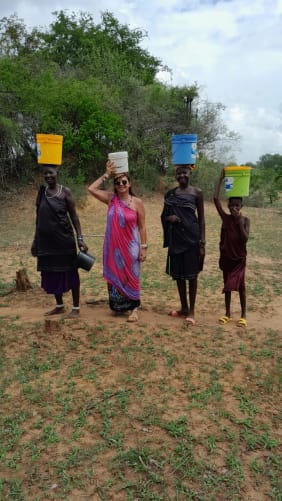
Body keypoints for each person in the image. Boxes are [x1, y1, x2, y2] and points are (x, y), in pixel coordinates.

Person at [88, 161, 147, 322]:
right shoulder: (110, 199)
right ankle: (119, 306)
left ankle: (134, 308)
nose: (121, 185)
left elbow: (142, 227)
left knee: (132, 276)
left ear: (129, 184)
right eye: (117, 182)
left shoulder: (137, 203)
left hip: (131, 247)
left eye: (124, 182)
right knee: (115, 275)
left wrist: (144, 247)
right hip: (113, 248)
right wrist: (107, 174)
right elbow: (91, 189)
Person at [31, 164, 88, 318]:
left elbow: (74, 217)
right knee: (51, 273)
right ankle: (59, 305)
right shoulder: (41, 193)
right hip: (46, 243)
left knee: (71, 273)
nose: (48, 176)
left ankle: (76, 308)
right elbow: (38, 219)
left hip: (65, 242)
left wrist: (80, 238)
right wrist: (35, 241)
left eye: (51, 173)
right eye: (45, 174)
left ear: (57, 173)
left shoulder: (65, 192)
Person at [161, 164, 205, 325]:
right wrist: (169, 218)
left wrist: (202, 243)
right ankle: (184, 308)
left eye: (184, 173)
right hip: (176, 239)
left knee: (192, 276)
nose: (182, 176)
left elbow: (201, 220)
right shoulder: (170, 194)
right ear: (175, 176)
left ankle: (192, 311)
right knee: (179, 275)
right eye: (179, 173)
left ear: (190, 173)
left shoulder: (197, 193)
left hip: (192, 239)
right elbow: (164, 215)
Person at [213, 168, 250, 327]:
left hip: (239, 259)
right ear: (228, 205)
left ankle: (243, 314)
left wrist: (240, 222)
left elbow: (245, 238)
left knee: (241, 287)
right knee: (227, 285)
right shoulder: (225, 218)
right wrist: (220, 180)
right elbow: (215, 198)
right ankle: (227, 313)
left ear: (241, 206)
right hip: (227, 258)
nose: (234, 208)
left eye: (237, 205)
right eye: (232, 205)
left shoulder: (245, 220)